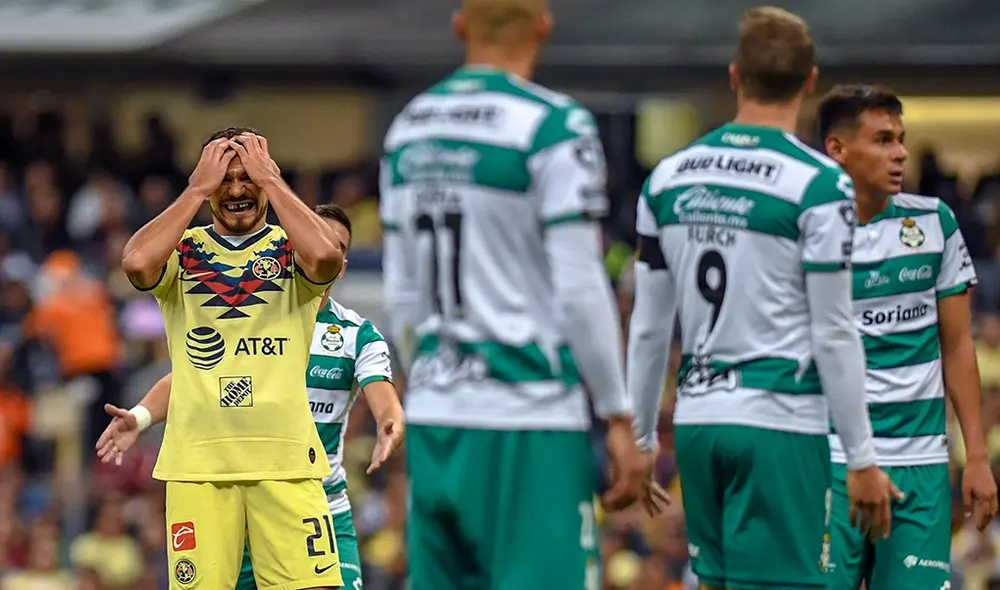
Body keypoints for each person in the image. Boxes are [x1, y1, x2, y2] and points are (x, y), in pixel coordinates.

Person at [379, 0, 656, 588]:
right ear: (543, 25)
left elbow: (401, 292)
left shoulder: (409, 127)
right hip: (527, 415)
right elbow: (581, 285)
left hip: (436, 414)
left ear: (460, 25)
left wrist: (428, 380)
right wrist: (617, 413)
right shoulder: (552, 124)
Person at [625, 8, 902, 590]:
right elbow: (833, 330)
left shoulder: (668, 178)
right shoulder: (820, 184)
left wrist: (643, 439)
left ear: (734, 77)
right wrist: (861, 456)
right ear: (809, 80)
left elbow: (650, 329)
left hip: (699, 423)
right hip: (779, 422)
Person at [100, 204, 404, 590]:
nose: (323, 249)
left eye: (338, 247)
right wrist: (141, 417)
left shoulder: (355, 334)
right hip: (238, 490)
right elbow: (192, 377)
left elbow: (383, 395)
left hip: (318, 497)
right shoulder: (257, 310)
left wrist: (390, 420)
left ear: (343, 263)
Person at [120, 127, 346, 589]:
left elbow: (326, 257)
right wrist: (196, 189)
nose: (238, 189)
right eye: (225, 178)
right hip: (198, 467)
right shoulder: (182, 251)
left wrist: (274, 181)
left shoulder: (291, 249)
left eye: (249, 177)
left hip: (286, 463)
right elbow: (137, 264)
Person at [817, 84, 999, 589]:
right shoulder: (805, 230)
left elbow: (958, 345)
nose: (899, 153)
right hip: (831, 464)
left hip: (920, 466)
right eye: (882, 140)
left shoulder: (933, 222)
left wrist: (976, 459)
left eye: (901, 139)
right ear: (838, 149)